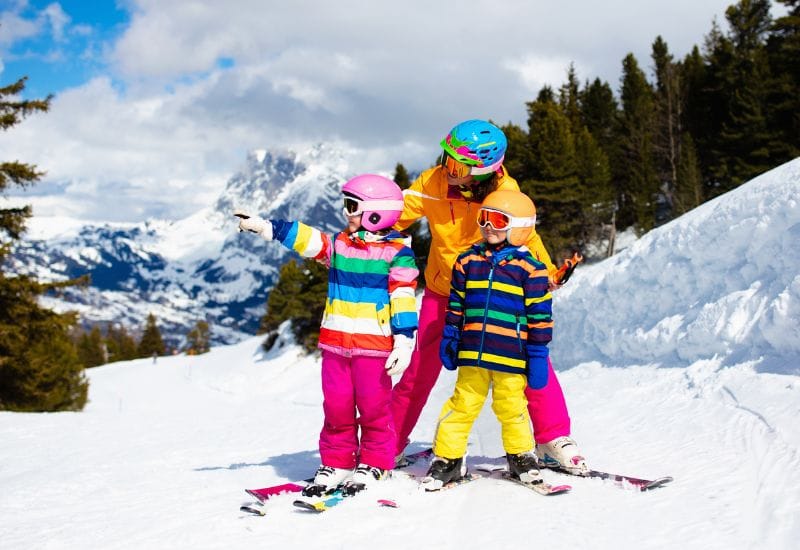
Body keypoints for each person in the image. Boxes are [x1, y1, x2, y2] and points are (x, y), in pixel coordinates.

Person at [391, 119, 587, 474]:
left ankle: (552, 438)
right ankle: (387, 442)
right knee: (419, 367)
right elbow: (393, 215)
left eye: (456, 165)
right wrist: (364, 233)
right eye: (445, 157)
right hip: (443, 290)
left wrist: (545, 271)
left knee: (528, 359)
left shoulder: (505, 191)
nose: (446, 169)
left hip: (494, 293)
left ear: (483, 170)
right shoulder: (432, 182)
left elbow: (523, 233)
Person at [237, 174, 419, 495]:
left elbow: (403, 296)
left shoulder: (396, 254)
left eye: (352, 206)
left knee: (374, 407)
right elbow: (310, 240)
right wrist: (268, 228)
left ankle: (376, 462)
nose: (346, 212)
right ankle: (339, 461)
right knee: (336, 406)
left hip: (373, 348)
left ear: (376, 214)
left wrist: (404, 340)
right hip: (335, 346)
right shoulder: (340, 244)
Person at [422, 190, 553, 489]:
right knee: (461, 405)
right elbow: (457, 303)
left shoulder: (531, 268)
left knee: (512, 408)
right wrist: (451, 335)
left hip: (511, 354)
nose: (488, 226)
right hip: (473, 352)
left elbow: (540, 314)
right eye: (484, 218)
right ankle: (448, 460)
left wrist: (537, 352)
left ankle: (521, 456)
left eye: (497, 220)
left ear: (519, 226)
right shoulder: (467, 261)